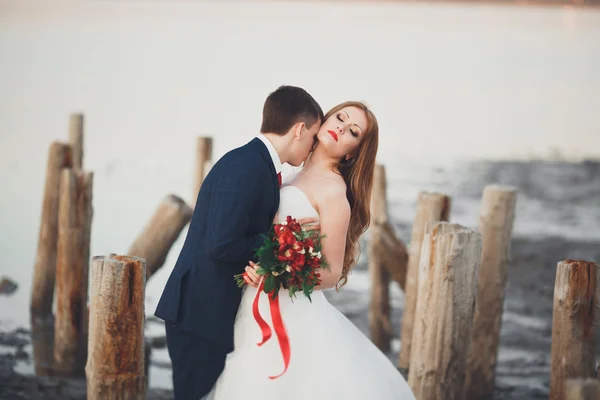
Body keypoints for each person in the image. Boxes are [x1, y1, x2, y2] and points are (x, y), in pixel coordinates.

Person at [204, 101, 416, 399]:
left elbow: (330, 273)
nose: (341, 128)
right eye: (340, 118)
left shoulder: (333, 191)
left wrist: (275, 274)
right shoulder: (288, 172)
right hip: (252, 301)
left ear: (352, 151)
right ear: (325, 119)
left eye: (352, 131)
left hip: (291, 308)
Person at [154, 85, 324, 400]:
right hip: (199, 314)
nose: (313, 146)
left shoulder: (255, 163)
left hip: (209, 313)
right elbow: (221, 243)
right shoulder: (246, 165)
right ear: (299, 130)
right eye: (314, 136)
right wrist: (280, 239)